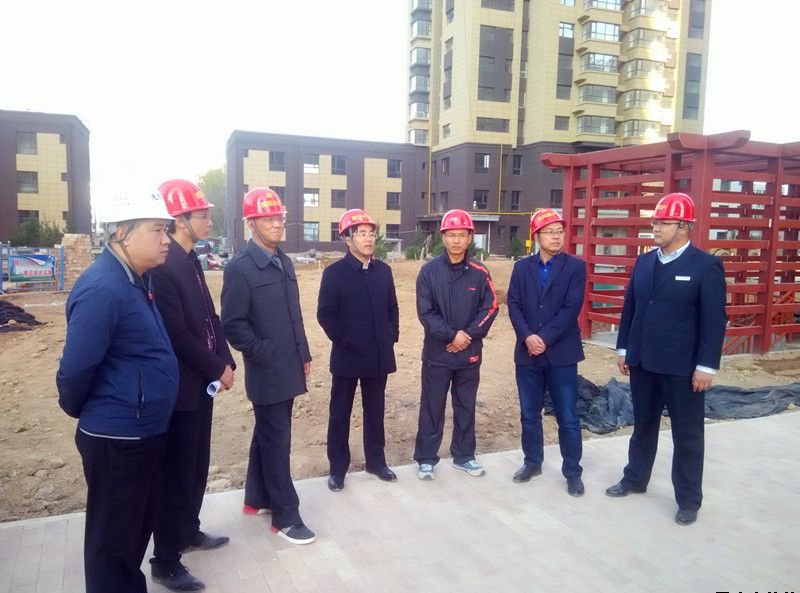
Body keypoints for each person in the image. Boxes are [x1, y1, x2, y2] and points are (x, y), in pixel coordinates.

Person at [56, 193, 178, 593]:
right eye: (158, 230)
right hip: (117, 438)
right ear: (122, 233)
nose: (166, 239)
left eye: (167, 230)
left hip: (140, 432)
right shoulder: (103, 288)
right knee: (112, 543)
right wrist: (91, 410)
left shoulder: (135, 279)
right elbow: (75, 369)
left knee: (131, 534)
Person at [606, 192, 727, 526]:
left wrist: (706, 366)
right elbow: (631, 307)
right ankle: (635, 478)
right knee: (643, 426)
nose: (656, 228)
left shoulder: (706, 266)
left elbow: (714, 321)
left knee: (687, 435)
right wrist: (624, 348)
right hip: (643, 362)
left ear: (683, 226)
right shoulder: (645, 262)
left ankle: (688, 500)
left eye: (663, 223)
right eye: (655, 222)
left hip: (682, 368)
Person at [148, 179, 236, 591]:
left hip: (203, 384)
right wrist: (215, 367)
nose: (208, 221)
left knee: (197, 466)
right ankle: (165, 560)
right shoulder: (164, 268)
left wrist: (226, 359)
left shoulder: (192, 260)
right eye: (202, 215)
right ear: (179, 220)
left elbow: (209, 318)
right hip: (181, 388)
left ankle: (188, 530)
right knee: (176, 474)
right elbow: (177, 334)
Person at [221, 188, 315, 544]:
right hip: (266, 370)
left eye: (279, 217)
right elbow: (233, 324)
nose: (277, 224)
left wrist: (303, 353)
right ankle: (286, 516)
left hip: (290, 363)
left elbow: (294, 315)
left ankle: (256, 497)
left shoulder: (284, 261)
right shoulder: (240, 269)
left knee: (269, 433)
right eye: (268, 219)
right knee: (278, 440)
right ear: (251, 223)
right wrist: (264, 352)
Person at [317, 209, 400, 492]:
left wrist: (391, 335)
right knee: (340, 413)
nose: (368, 239)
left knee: (375, 411)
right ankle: (337, 469)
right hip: (348, 357)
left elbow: (392, 307)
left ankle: (376, 462)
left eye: (371, 233)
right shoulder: (334, 273)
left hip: (378, 356)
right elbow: (325, 314)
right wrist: (346, 340)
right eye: (361, 233)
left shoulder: (383, 271)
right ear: (347, 239)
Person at [506, 209, 586, 496]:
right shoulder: (522, 268)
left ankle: (572, 471)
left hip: (561, 354)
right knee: (529, 414)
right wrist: (528, 336)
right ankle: (532, 462)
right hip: (527, 353)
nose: (556, 236)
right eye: (549, 232)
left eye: (559, 231)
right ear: (537, 236)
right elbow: (513, 304)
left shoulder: (575, 268)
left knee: (568, 416)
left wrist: (543, 338)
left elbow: (570, 309)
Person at [414, 209, 498, 480]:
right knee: (432, 406)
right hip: (437, 354)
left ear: (470, 237)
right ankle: (426, 459)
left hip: (468, 354)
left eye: (462, 235)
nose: (456, 240)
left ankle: (464, 456)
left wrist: (467, 336)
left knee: (465, 406)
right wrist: (451, 336)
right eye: (451, 235)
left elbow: (490, 307)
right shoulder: (429, 272)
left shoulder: (480, 272)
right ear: (443, 238)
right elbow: (425, 312)